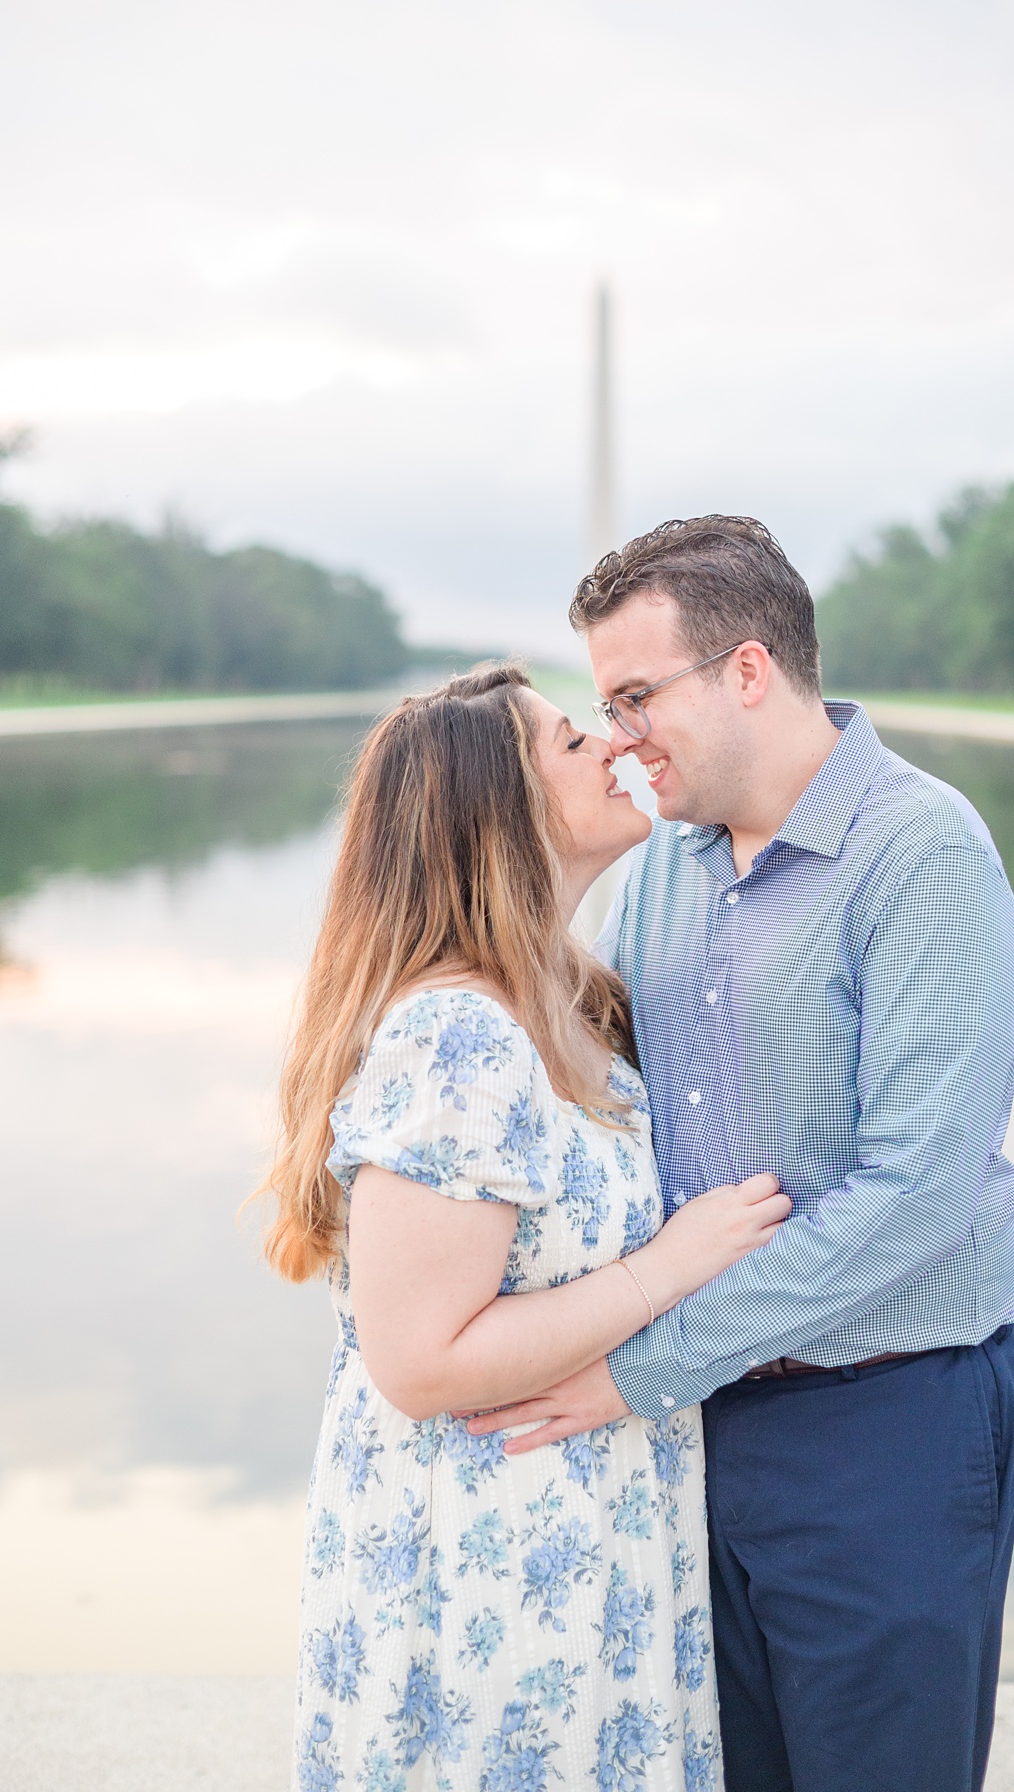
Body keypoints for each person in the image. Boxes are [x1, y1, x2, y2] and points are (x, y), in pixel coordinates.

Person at [465, 517, 1014, 1792]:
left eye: (633, 695)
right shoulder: (662, 865)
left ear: (746, 670)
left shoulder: (922, 848)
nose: (617, 737)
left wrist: (643, 1364)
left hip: (886, 1418)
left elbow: (918, 1197)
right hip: (694, 1428)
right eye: (602, 707)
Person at [262, 666, 793, 1791]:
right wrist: (671, 1267)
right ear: (495, 811)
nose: (608, 744)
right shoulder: (457, 1035)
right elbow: (420, 1360)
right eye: (569, 740)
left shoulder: (563, 998)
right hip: (484, 1575)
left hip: (586, 1541)